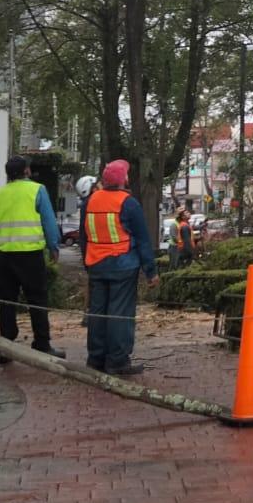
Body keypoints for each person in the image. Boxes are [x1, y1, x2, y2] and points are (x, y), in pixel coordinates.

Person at [80, 158, 159, 376]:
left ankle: (95, 359)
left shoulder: (90, 201)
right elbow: (143, 239)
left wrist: (87, 263)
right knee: (119, 314)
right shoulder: (128, 203)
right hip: (123, 266)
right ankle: (117, 361)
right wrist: (151, 271)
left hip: (96, 264)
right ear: (122, 179)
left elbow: (83, 236)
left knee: (98, 313)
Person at [0, 155, 64, 364]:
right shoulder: (37, 190)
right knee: (37, 300)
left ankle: (6, 347)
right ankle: (41, 343)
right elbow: (48, 220)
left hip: (4, 256)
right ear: (27, 171)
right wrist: (53, 246)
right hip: (30, 255)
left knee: (7, 302)